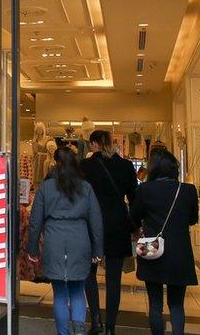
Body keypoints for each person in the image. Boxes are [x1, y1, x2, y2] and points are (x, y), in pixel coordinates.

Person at [27, 145, 104, 335]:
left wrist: (32, 248)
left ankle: (63, 333)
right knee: (78, 291)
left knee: (60, 294)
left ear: (55, 163)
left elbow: (35, 221)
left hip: (54, 240)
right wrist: (98, 250)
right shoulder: (86, 187)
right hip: (80, 240)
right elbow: (96, 221)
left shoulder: (46, 187)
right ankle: (79, 330)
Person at [131, 148, 199, 335]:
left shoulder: (145, 190)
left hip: (153, 250)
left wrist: (141, 226)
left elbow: (133, 216)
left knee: (155, 305)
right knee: (177, 305)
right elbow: (193, 219)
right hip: (180, 252)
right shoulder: (187, 190)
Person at [81, 129, 137, 334]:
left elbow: (79, 195)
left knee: (89, 273)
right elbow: (134, 198)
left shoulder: (86, 166)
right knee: (114, 278)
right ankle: (111, 327)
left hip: (91, 222)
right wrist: (135, 226)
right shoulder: (126, 166)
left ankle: (96, 320)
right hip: (117, 223)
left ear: (95, 144)